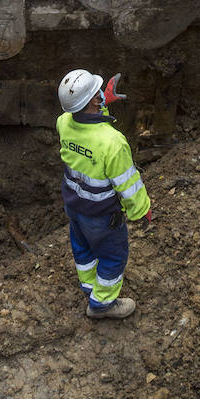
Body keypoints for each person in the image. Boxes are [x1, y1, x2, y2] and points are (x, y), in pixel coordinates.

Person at [56, 69, 151, 319]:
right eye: (97, 94)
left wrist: (100, 104)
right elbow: (127, 184)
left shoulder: (63, 122)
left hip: (74, 206)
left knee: (83, 248)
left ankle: (89, 287)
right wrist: (141, 210)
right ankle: (102, 304)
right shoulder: (113, 142)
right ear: (92, 101)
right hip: (101, 215)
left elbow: (87, 129)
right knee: (113, 256)